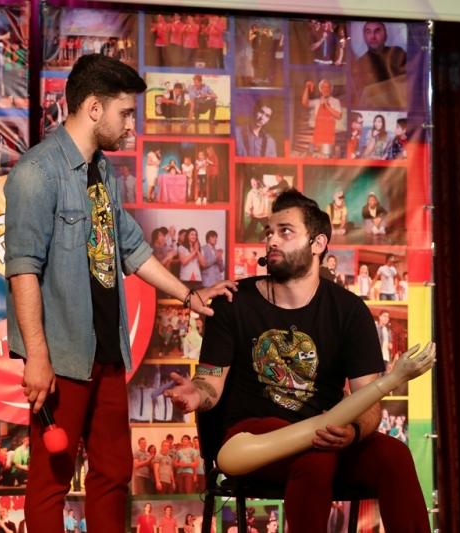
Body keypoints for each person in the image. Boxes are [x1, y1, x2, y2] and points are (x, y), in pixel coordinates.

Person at [4, 54, 236, 533]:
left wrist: (190, 296)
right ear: (94, 108)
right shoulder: (36, 172)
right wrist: (37, 357)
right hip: (62, 354)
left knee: (114, 472)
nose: (131, 125)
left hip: (108, 351)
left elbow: (131, 247)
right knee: (51, 480)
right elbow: (22, 269)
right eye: (125, 113)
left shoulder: (103, 171)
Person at [165, 189, 430, 532]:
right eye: (269, 233)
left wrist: (351, 432)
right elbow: (209, 382)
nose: (272, 240)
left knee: (394, 456)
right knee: (315, 457)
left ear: (318, 243)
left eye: (285, 231)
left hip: (325, 435)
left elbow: (369, 403)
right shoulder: (233, 301)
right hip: (254, 437)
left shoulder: (349, 311)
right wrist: (197, 392)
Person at [351, 21, 407, 107]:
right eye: (368, 32)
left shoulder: (398, 54)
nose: (373, 36)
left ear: (386, 37)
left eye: (377, 31)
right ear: (364, 37)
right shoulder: (360, 64)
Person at [301, 79, 341, 153]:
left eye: (327, 87)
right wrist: (307, 88)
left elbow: (339, 116)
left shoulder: (335, 101)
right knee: (316, 156)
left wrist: (327, 106)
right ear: (321, 89)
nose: (326, 89)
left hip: (329, 137)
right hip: (318, 137)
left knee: (328, 156)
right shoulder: (317, 101)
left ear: (330, 89)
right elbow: (304, 102)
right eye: (324, 87)